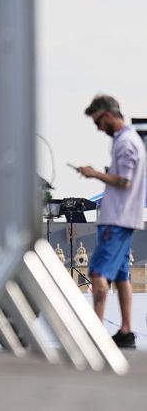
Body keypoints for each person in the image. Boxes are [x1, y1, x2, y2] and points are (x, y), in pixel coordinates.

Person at [76, 94, 146, 349]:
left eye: (98, 122)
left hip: (116, 219)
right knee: (121, 276)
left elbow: (124, 181)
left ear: (107, 115)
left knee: (97, 273)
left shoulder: (125, 142)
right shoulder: (131, 140)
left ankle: (96, 331)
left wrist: (94, 173)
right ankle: (125, 331)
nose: (98, 128)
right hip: (126, 218)